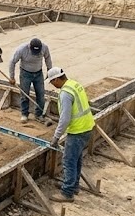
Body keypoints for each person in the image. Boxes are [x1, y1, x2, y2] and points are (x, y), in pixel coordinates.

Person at [46, 67, 95, 203]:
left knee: (68, 161)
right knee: (77, 159)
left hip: (77, 130)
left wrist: (56, 137)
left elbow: (65, 119)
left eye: (52, 82)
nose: (53, 86)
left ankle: (67, 193)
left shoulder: (65, 93)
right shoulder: (74, 84)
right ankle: (73, 186)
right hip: (87, 126)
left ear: (56, 79)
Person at [9, 37, 53, 125]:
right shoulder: (22, 49)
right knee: (24, 94)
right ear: (30, 47)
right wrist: (12, 77)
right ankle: (24, 114)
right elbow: (12, 62)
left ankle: (39, 114)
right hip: (25, 74)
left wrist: (50, 71)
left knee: (40, 95)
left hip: (38, 74)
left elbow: (48, 59)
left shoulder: (44, 48)